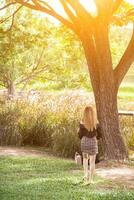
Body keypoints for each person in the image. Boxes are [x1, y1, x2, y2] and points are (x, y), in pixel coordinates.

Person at [78, 106, 101, 184]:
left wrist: (82, 137)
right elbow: (100, 134)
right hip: (93, 143)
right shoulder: (96, 122)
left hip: (84, 143)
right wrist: (96, 138)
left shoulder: (82, 122)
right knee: (92, 162)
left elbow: (80, 135)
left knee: (85, 160)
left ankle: (85, 175)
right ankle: (91, 179)